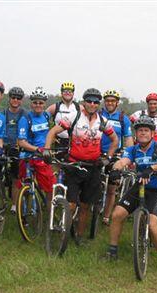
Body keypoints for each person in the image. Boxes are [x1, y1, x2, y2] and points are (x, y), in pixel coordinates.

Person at [44, 88, 118, 244]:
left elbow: (115, 140)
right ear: (84, 102)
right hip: (74, 165)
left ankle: (79, 236)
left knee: (85, 205)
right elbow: (52, 132)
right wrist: (46, 150)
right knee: (70, 204)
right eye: (89, 101)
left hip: (93, 167)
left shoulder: (103, 122)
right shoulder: (74, 117)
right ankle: (64, 230)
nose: (92, 104)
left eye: (95, 102)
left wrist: (108, 157)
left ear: (99, 104)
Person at [103, 115, 157, 274]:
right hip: (140, 186)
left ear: (152, 133)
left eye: (146, 130)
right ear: (136, 133)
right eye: (140, 130)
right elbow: (123, 161)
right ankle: (112, 250)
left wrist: (152, 169)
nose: (142, 133)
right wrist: (116, 170)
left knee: (152, 223)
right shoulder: (132, 149)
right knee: (117, 215)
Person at [100, 89, 133, 225]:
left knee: (112, 187)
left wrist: (129, 155)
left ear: (117, 103)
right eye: (107, 100)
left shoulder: (122, 118)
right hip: (98, 152)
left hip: (115, 154)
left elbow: (128, 138)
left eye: (113, 101)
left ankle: (106, 216)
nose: (110, 103)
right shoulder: (98, 114)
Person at [17, 87, 55, 202]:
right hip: (28, 155)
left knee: (50, 187)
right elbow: (21, 142)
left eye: (41, 102)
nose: (38, 105)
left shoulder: (47, 116)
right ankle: (22, 210)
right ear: (31, 104)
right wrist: (37, 149)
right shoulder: (25, 119)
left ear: (44, 104)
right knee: (24, 185)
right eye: (35, 102)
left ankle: (50, 213)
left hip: (42, 156)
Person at [4, 86, 26, 214]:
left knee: (16, 177)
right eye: (13, 97)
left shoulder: (25, 114)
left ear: (21, 100)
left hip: (18, 148)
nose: (15, 100)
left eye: (18, 98)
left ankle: (14, 204)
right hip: (4, 147)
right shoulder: (3, 113)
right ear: (9, 98)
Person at [46, 82, 80, 156]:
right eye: (65, 91)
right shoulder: (54, 107)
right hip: (59, 141)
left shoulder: (79, 107)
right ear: (61, 93)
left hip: (74, 141)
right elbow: (42, 121)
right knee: (59, 164)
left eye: (70, 91)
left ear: (73, 93)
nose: (67, 93)